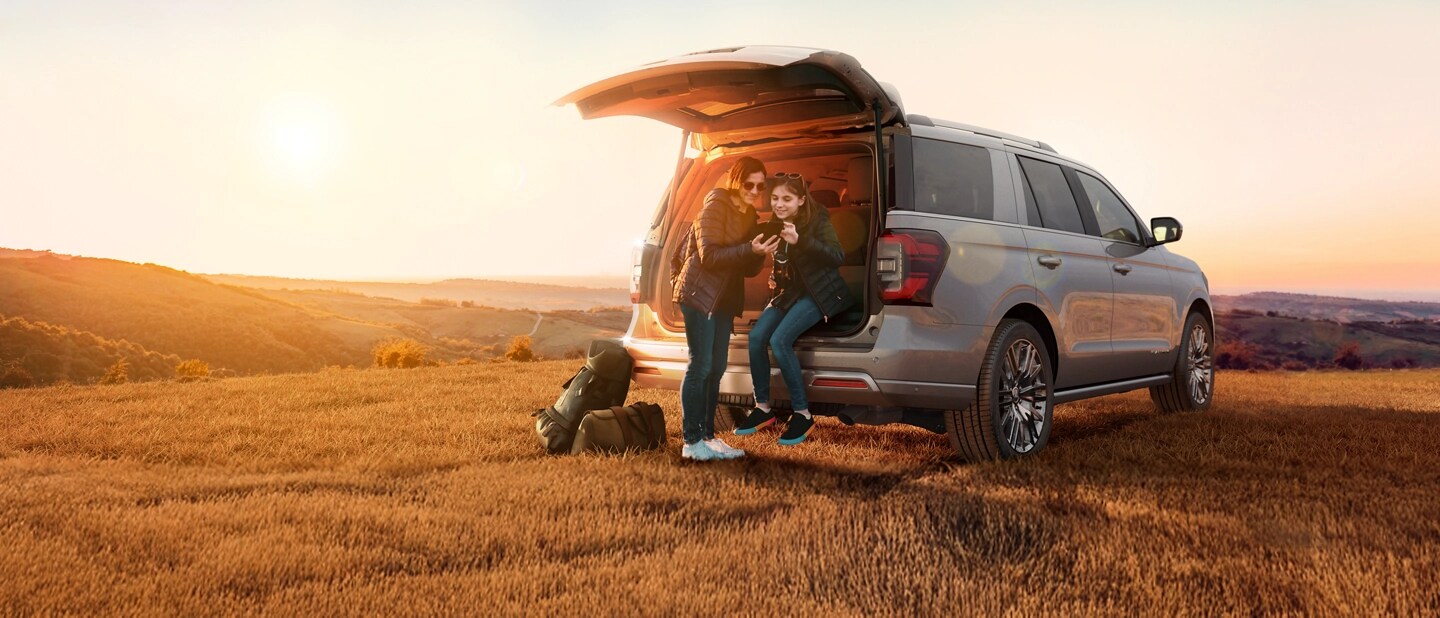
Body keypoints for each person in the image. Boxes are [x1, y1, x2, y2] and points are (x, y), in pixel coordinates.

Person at [672, 156, 780, 461]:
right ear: (735, 180)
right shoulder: (716, 205)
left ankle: (708, 437)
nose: (754, 191)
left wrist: (760, 251)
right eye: (749, 184)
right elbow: (709, 255)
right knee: (700, 366)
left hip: (723, 300)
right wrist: (748, 248)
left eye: (760, 186)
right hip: (700, 295)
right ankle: (691, 442)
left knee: (716, 368)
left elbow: (746, 268)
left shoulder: (748, 215)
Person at [735, 172, 852, 446]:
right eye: (775, 198)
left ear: (801, 200)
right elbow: (777, 261)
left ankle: (802, 414)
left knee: (779, 341)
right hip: (788, 294)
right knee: (756, 338)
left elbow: (837, 256)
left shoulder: (818, 217)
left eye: (786, 199)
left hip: (819, 293)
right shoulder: (774, 224)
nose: (779, 204)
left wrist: (802, 241)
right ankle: (763, 408)